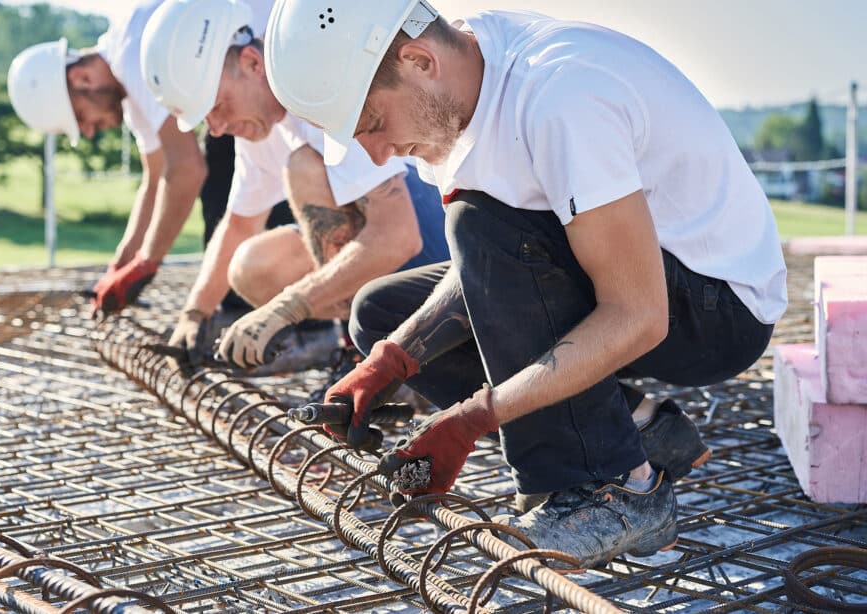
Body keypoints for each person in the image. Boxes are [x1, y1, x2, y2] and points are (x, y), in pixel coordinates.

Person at [264, 0, 788, 568]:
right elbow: (493, 273)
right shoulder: (459, 89)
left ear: (417, 60)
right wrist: (390, 362)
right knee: (381, 315)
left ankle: (621, 491)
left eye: (371, 123)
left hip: (716, 307)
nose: (375, 152)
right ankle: (641, 429)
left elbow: (637, 313)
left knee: (478, 220)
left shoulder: (561, 95)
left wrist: (473, 418)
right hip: (634, 278)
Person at [140, 0, 450, 372]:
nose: (217, 129)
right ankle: (344, 343)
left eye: (218, 105)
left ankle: (380, 352)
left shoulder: (318, 93)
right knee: (251, 266)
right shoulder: (261, 128)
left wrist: (288, 306)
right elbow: (240, 225)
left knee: (303, 167)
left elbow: (399, 237)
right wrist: (195, 313)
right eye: (207, 120)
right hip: (395, 254)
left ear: (253, 64)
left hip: (437, 250)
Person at [6, 0, 284, 316]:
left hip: (275, 71)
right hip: (265, 77)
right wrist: (120, 265)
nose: (89, 131)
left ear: (81, 79)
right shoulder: (131, 87)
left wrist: (146, 264)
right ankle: (239, 311)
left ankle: (273, 319)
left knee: (227, 169)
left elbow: (186, 171)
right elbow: (156, 179)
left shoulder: (133, 54)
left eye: (81, 117)